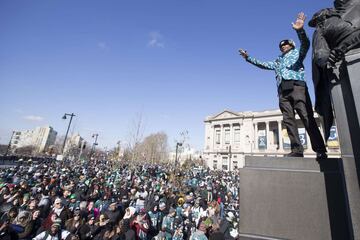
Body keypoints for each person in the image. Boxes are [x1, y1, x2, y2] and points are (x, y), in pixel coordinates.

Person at [239, 12, 327, 159]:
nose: (284, 47)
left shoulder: (298, 52)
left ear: (291, 45)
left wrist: (300, 30)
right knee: (288, 120)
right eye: (282, 46)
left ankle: (320, 150)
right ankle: (297, 150)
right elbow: (264, 64)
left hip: (297, 86)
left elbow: (305, 43)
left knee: (306, 116)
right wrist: (249, 58)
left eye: (286, 45)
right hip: (282, 91)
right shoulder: (278, 61)